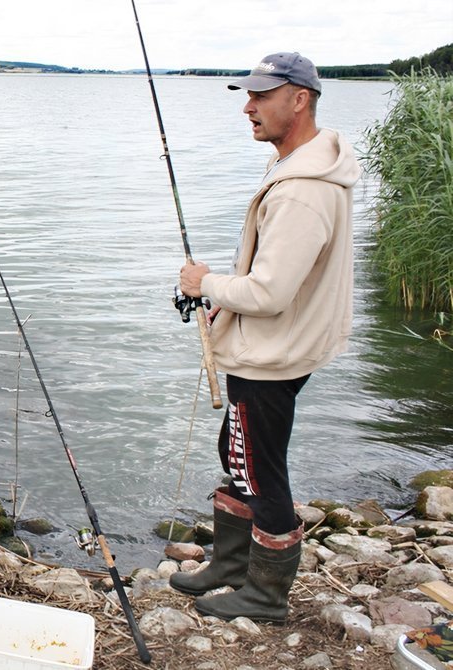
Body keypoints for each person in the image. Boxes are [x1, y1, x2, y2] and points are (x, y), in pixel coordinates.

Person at [172, 52, 360, 623]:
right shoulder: (301, 166)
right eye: (246, 96)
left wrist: (207, 283)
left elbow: (271, 292)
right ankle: (230, 568)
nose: (248, 107)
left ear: (299, 99)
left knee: (259, 468)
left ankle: (266, 594)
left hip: (273, 353)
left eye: (261, 96)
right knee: (237, 451)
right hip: (277, 344)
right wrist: (219, 298)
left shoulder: (303, 190)